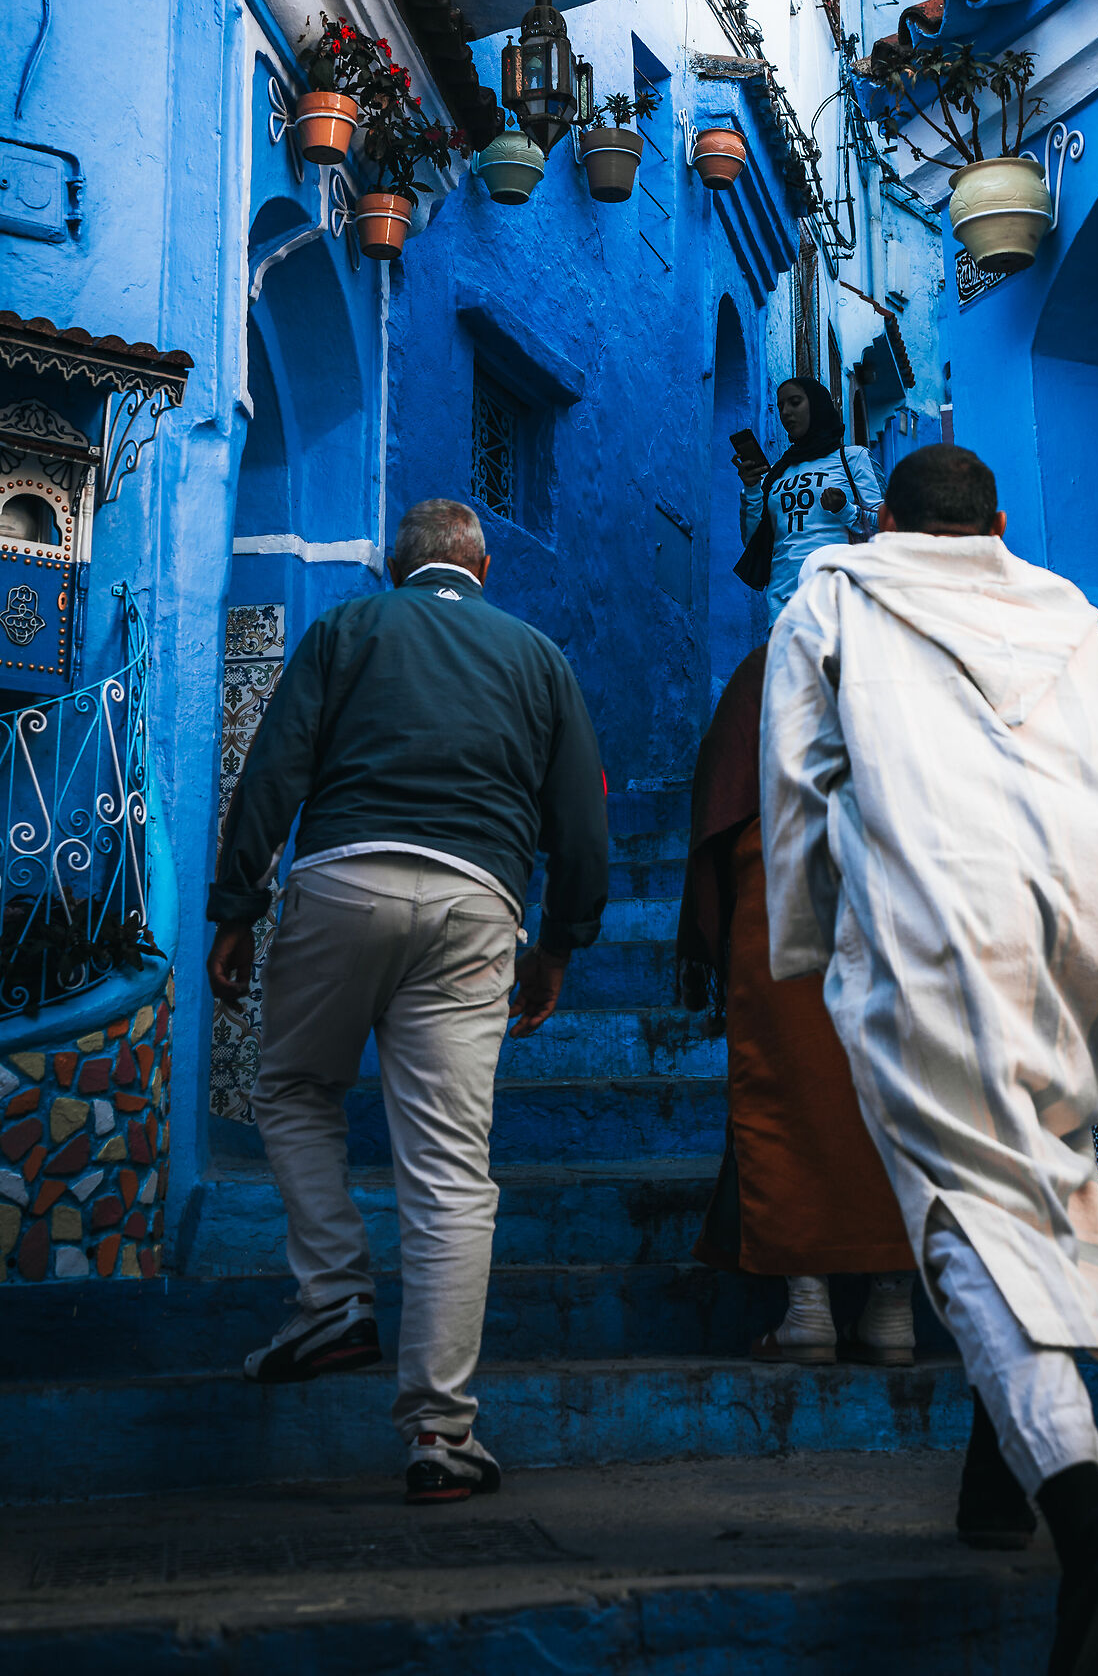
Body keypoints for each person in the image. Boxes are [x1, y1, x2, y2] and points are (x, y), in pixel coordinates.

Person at [761, 445, 1098, 1674]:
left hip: (934, 924)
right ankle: (994, 1481)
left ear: (884, 519)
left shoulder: (834, 597)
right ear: (995, 521)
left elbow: (797, 778)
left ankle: (1087, 1524)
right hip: (1078, 922)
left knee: (959, 1211)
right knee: (1031, 1180)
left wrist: (808, 941)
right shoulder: (1068, 612)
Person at [206, 498, 607, 1506]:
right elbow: (578, 818)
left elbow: (274, 766)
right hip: (479, 902)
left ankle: (334, 1300)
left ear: (397, 568)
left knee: (295, 1087)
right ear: (482, 568)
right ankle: (439, 1429)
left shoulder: (347, 627)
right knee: (451, 1172)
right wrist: (559, 945)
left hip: (342, 879)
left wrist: (237, 906)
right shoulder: (538, 656)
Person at [675, 645, 917, 1364]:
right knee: (905, 1096)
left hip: (784, 893)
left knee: (791, 1090)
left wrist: (712, 931)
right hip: (903, 896)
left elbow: (718, 804)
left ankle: (809, 1307)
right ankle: (892, 1310)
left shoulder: (770, 665)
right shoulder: (915, 663)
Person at [734, 375, 882, 625]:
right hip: (784, 605)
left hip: (839, 599)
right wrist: (751, 489)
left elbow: (885, 526)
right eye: (781, 406)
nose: (785, 412)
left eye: (794, 402)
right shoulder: (777, 473)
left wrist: (845, 509)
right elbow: (754, 541)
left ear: (817, 405)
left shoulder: (853, 458)